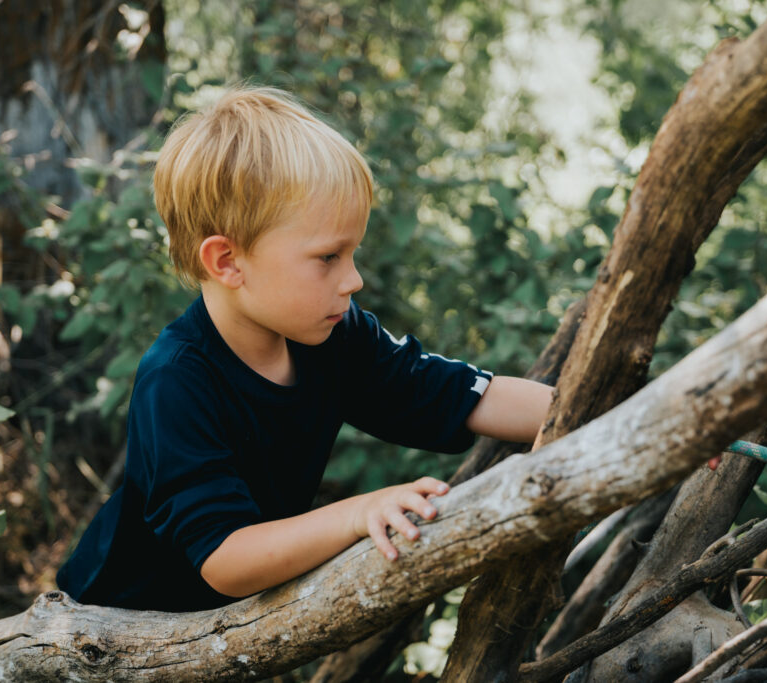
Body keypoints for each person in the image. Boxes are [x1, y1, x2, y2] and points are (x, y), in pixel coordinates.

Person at [56, 86, 553, 612]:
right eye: (328, 258)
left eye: (352, 253)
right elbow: (226, 557)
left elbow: (459, 395)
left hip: (228, 632)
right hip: (112, 627)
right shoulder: (177, 379)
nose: (353, 279)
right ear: (227, 261)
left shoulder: (335, 335)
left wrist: (609, 408)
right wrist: (355, 513)